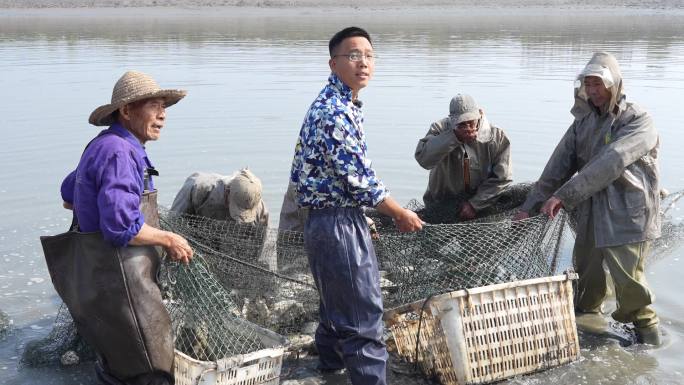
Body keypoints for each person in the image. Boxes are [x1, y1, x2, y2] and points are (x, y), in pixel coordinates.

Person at [288, 26, 423, 385]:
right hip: (337, 225)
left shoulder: (336, 103)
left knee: (334, 310)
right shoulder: (335, 111)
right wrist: (399, 212)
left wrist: (365, 216)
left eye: (368, 55)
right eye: (353, 55)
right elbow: (360, 179)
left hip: (324, 223)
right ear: (334, 63)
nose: (363, 62)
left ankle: (329, 372)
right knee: (364, 317)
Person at [47, 70, 194, 384]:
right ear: (126, 111)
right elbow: (120, 228)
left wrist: (90, 202)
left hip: (99, 287)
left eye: (164, 107)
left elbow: (68, 191)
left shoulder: (104, 144)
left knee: (117, 367)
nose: (163, 115)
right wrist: (169, 239)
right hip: (124, 286)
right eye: (153, 106)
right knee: (149, 369)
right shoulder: (120, 153)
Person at [515, 52, 661, 345]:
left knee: (630, 286)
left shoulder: (638, 119)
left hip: (628, 214)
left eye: (598, 84)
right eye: (587, 84)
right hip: (591, 211)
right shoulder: (583, 123)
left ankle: (650, 342)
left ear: (614, 84)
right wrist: (529, 207)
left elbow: (612, 161)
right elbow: (557, 166)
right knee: (586, 281)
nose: (592, 90)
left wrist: (563, 196)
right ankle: (589, 331)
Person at [415, 94, 512, 221]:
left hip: (483, 207)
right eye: (461, 123)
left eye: (471, 122)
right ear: (452, 120)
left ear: (479, 115)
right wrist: (453, 137)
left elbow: (503, 178)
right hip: (440, 205)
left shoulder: (497, 136)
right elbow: (424, 160)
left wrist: (474, 204)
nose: (467, 128)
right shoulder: (439, 129)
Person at [170, 168, 269, 225]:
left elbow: (263, 243)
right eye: (237, 209)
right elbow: (173, 221)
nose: (239, 219)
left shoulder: (259, 208)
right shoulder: (198, 188)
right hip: (197, 233)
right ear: (227, 192)